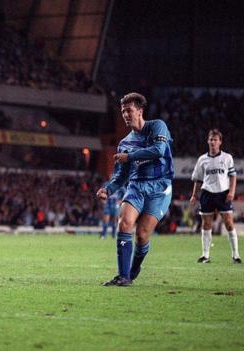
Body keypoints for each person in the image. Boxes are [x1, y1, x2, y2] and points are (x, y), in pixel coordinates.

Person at [96, 92, 174, 286]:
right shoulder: (124, 143)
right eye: (123, 111)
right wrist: (108, 188)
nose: (125, 115)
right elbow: (121, 176)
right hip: (136, 186)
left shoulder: (157, 126)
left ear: (140, 111)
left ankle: (134, 268)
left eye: (129, 110)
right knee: (124, 223)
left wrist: (130, 157)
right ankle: (123, 276)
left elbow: (159, 151)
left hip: (160, 187)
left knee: (142, 235)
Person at [190, 129, 240, 264]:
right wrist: (194, 195)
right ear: (208, 141)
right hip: (207, 193)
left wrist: (231, 192)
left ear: (220, 142)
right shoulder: (202, 159)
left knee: (229, 223)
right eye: (211, 139)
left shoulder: (227, 157)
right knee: (206, 224)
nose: (213, 142)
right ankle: (205, 255)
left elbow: (233, 175)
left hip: (223, 194)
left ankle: (235, 255)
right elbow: (198, 179)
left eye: (215, 139)